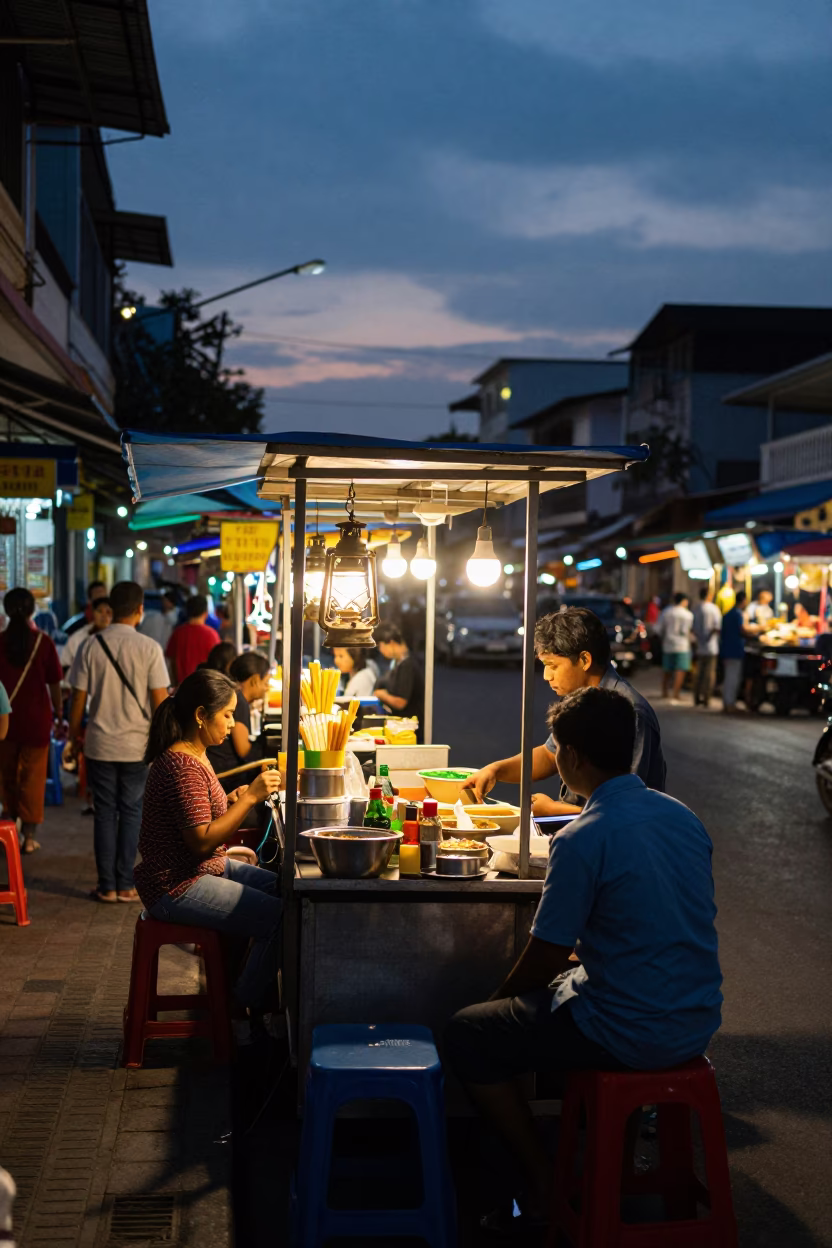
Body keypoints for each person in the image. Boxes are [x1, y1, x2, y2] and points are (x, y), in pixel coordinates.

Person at [445, 686, 722, 1232]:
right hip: (695, 1022)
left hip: (626, 1029)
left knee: (468, 1033)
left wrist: (500, 998)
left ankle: (543, 1181)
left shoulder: (582, 836)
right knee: (555, 998)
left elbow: (547, 952)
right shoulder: (683, 818)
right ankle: (597, 1161)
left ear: (570, 758)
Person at [134, 669, 283, 1010]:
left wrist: (229, 801)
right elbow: (200, 842)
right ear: (201, 715)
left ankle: (240, 985)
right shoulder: (182, 765)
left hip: (200, 868)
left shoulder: (196, 754)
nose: (232, 724)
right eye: (228, 715)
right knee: (280, 919)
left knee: (282, 890)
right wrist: (249, 799)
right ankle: (241, 1009)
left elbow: (196, 816)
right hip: (175, 883)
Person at [470, 607, 665, 816]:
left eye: (552, 665)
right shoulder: (583, 701)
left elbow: (626, 808)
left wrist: (557, 811)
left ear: (584, 660)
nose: (546, 676)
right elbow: (549, 755)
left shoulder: (629, 712)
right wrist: (495, 770)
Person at [68, 581, 169, 902]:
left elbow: (77, 701)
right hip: (137, 746)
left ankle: (106, 886)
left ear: (110, 609)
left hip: (99, 744)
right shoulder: (150, 648)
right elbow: (160, 704)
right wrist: (163, 743)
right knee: (131, 811)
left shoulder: (91, 646)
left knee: (104, 812)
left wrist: (73, 736)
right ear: (139, 610)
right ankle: (126, 884)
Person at [0, 588, 63, 853]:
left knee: (6, 776)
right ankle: (28, 837)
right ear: (31, 610)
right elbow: (54, 683)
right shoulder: (43, 642)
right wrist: (59, 712)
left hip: (4, 721)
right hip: (37, 720)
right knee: (33, 778)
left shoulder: (0, 641)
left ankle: (8, 830)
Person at [207, 651, 270, 791]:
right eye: (265, 682)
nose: (267, 688)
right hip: (226, 776)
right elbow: (244, 750)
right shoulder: (239, 701)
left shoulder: (238, 697)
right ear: (254, 680)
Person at [373, 622, 425, 741]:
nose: (381, 651)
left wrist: (381, 694)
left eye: (380, 646)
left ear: (390, 642)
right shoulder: (399, 662)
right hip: (401, 730)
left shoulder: (408, 665)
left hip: (407, 733)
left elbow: (400, 702)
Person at [166, 594, 220, 684]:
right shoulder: (212, 634)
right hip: (205, 686)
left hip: (182, 687)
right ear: (205, 613)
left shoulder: (178, 633)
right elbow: (217, 663)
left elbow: (172, 662)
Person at [657, 591, 694, 702]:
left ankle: (665, 691)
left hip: (668, 644)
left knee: (667, 669)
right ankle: (676, 693)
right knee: (680, 669)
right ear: (683, 601)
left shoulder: (666, 612)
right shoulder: (688, 615)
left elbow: (659, 629)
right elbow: (686, 631)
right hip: (682, 645)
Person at [60, 596, 113, 672]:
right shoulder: (79, 637)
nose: (104, 616)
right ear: (93, 613)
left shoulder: (119, 638)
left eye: (108, 612)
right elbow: (65, 663)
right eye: (100, 611)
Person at [720, 590, 750, 714]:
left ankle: (727, 703)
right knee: (732, 678)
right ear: (743, 601)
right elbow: (742, 630)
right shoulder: (737, 614)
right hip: (734, 650)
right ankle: (729, 704)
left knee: (728, 677)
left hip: (726, 649)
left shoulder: (727, 614)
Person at [692, 587, 722, 708]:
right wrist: (708, 638)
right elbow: (717, 627)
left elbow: (692, 626)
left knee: (698, 673)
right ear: (709, 595)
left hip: (699, 646)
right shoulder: (714, 609)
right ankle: (706, 698)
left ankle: (696, 697)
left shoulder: (696, 609)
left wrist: (700, 639)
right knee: (709, 674)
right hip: (711, 647)